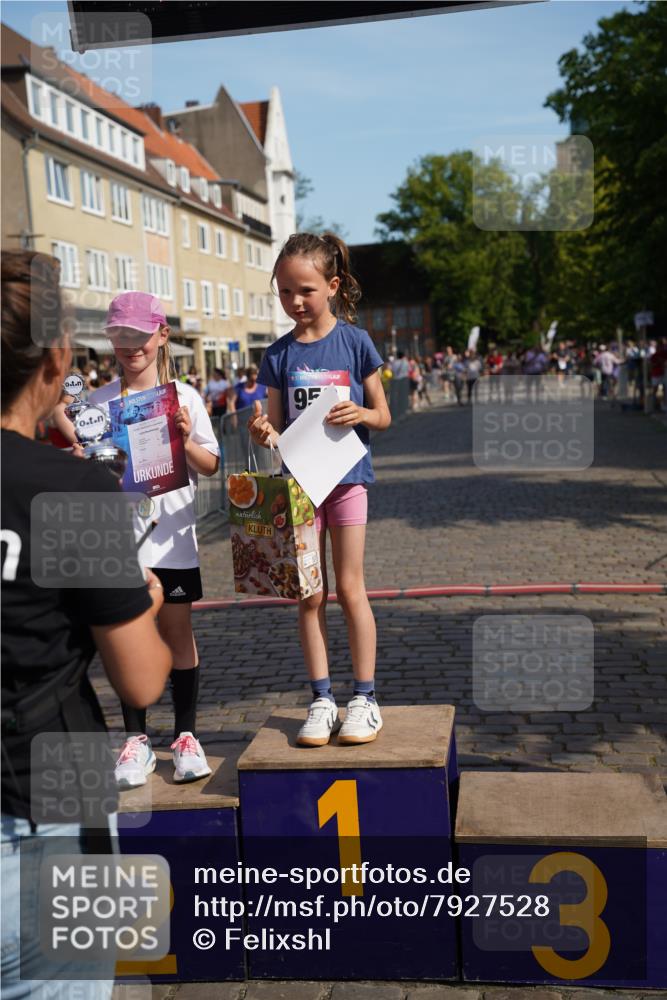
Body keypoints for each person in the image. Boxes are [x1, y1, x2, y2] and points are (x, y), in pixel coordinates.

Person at [1, 252, 172, 1000]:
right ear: (56, 361)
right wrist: (145, 603)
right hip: (46, 810)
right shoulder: (71, 487)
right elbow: (143, 677)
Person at [248, 232, 391, 747]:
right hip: (300, 488)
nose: (295, 301)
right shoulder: (278, 354)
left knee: (351, 589)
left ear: (332, 286)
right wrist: (263, 432)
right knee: (309, 595)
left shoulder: (355, 342)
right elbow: (276, 428)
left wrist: (362, 413)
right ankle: (322, 699)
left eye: (305, 290)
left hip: (348, 482)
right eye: (285, 291)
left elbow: (384, 415)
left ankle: (365, 698)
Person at [89, 291, 220, 787]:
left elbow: (211, 464)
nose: (130, 347)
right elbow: (90, 472)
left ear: (162, 335)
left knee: (178, 633)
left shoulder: (185, 398)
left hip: (173, 539)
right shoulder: (98, 403)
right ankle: (136, 741)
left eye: (139, 336)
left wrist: (183, 438)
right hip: (122, 540)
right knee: (131, 637)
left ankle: (185, 736)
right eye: (119, 337)